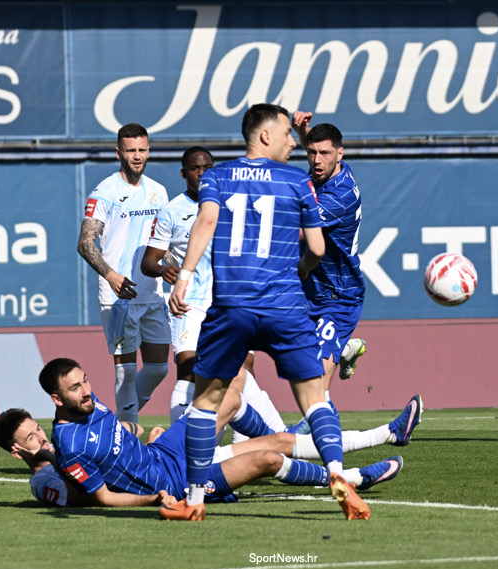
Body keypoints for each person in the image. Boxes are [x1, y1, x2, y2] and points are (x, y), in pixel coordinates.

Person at [167, 103, 368, 521]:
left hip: (232, 307)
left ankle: (194, 499)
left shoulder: (217, 176)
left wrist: (185, 277)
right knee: (315, 399)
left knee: (206, 402)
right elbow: (314, 248)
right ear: (264, 136)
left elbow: (205, 222)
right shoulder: (298, 183)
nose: (294, 142)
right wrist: (299, 273)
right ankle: (337, 475)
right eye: (286, 135)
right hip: (285, 305)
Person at [32, 359, 403, 513]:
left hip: (164, 451)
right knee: (269, 459)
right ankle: (350, 479)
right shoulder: (69, 446)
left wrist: (143, 439)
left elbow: (119, 442)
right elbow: (105, 498)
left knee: (228, 396)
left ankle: (290, 435)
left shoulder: (89, 401)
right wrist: (154, 499)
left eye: (85, 381)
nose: (85, 391)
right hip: (175, 483)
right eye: (75, 388)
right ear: (55, 398)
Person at [141, 147, 288, 437]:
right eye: (196, 168)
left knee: (243, 368)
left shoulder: (233, 204)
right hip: (189, 303)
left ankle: (245, 440)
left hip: (229, 302)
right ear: (184, 174)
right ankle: (182, 446)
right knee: (188, 370)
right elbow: (148, 261)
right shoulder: (172, 212)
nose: (203, 172)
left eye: (208, 166)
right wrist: (162, 270)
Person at [77, 123, 170, 424]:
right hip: (119, 295)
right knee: (126, 370)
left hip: (153, 292)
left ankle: (116, 423)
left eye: (142, 149)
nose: (138, 156)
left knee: (159, 369)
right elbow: (85, 243)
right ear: (118, 152)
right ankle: (127, 432)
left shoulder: (158, 192)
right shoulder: (104, 192)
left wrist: (174, 267)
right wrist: (111, 276)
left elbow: (164, 242)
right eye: (131, 150)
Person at [288, 111, 371, 433]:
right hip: (307, 288)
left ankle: (309, 427)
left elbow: (299, 231)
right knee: (299, 364)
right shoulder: (320, 175)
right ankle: (346, 349)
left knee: (316, 377)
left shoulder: (341, 194)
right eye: (311, 152)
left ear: (341, 153)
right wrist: (303, 132)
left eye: (325, 153)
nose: (317, 160)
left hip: (339, 295)